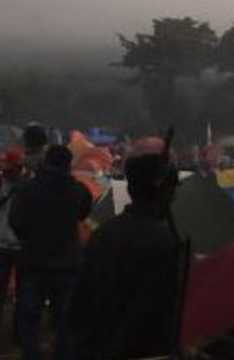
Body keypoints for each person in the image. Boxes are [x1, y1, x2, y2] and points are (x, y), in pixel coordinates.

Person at [71, 150, 183, 360]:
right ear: (164, 192)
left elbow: (82, 301)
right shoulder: (162, 242)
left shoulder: (103, 234)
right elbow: (149, 312)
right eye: (173, 189)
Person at [10, 145, 93, 360]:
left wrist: (29, 237)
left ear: (46, 162)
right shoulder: (78, 191)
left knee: (30, 319)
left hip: (33, 262)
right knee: (65, 320)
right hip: (66, 265)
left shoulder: (28, 189)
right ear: (68, 165)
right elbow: (83, 213)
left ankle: (31, 354)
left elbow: (16, 220)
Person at [0, 147, 29, 349]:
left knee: (22, 292)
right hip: (2, 243)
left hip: (19, 245)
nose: (5, 170)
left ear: (19, 167)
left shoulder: (29, 186)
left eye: (9, 167)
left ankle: (18, 334)